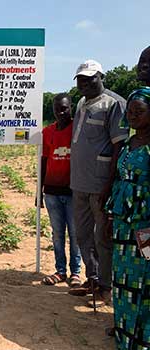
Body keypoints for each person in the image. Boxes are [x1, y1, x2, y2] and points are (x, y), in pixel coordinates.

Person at [69, 60, 129, 307]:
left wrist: (109, 186)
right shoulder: (82, 103)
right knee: (82, 234)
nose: (85, 83)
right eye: (81, 79)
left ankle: (106, 287)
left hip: (101, 184)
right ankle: (92, 279)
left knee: (103, 238)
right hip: (79, 183)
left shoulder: (114, 103)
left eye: (90, 78)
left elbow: (119, 145)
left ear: (101, 76)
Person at [105, 88, 150, 349]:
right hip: (123, 226)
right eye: (130, 110)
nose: (132, 115)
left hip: (145, 227)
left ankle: (141, 338)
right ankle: (124, 334)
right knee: (122, 280)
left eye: (139, 111)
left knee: (145, 279)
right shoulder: (126, 145)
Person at [39, 93, 82, 287]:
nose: (61, 112)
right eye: (57, 109)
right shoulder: (47, 132)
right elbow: (44, 160)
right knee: (57, 234)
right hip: (52, 193)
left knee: (75, 234)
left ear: (71, 107)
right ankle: (60, 271)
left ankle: (76, 273)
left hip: (74, 192)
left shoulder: (78, 129)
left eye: (64, 108)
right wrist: (39, 191)